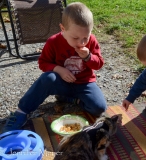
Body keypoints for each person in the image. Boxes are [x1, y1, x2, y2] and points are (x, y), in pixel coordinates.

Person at [2, 2, 107, 133]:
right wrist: (58, 69)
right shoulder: (53, 42)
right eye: (75, 38)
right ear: (63, 28)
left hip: (84, 83)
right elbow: (43, 63)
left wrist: (88, 57)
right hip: (61, 83)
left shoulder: (91, 41)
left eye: (85, 38)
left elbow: (99, 64)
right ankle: (21, 112)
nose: (81, 42)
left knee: (99, 108)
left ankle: (71, 99)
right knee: (47, 78)